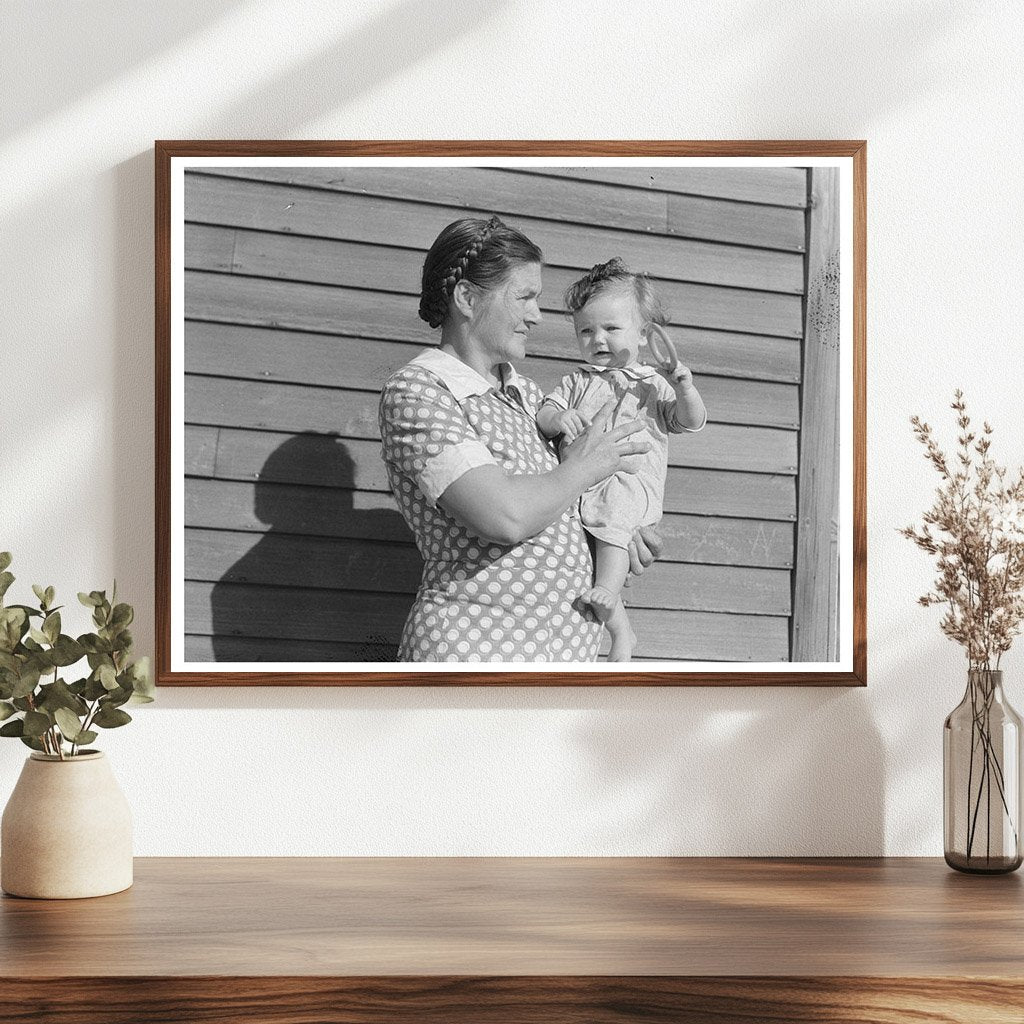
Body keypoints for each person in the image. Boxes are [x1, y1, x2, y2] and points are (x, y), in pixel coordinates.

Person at [378, 217, 661, 663]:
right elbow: (504, 515)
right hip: (477, 652)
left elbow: (559, 504)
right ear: (467, 298)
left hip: (564, 656)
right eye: (525, 297)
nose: (537, 315)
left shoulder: (527, 396)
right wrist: (589, 464)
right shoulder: (421, 391)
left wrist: (620, 530)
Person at [536, 259, 707, 661]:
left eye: (612, 328)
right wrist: (558, 417)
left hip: (631, 483)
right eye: (586, 330)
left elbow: (690, 421)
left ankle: (610, 596)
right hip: (585, 485)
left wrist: (684, 388)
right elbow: (546, 412)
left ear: (645, 335)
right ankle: (623, 633)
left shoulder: (652, 384)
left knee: (614, 521)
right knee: (590, 551)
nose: (598, 339)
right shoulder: (577, 380)